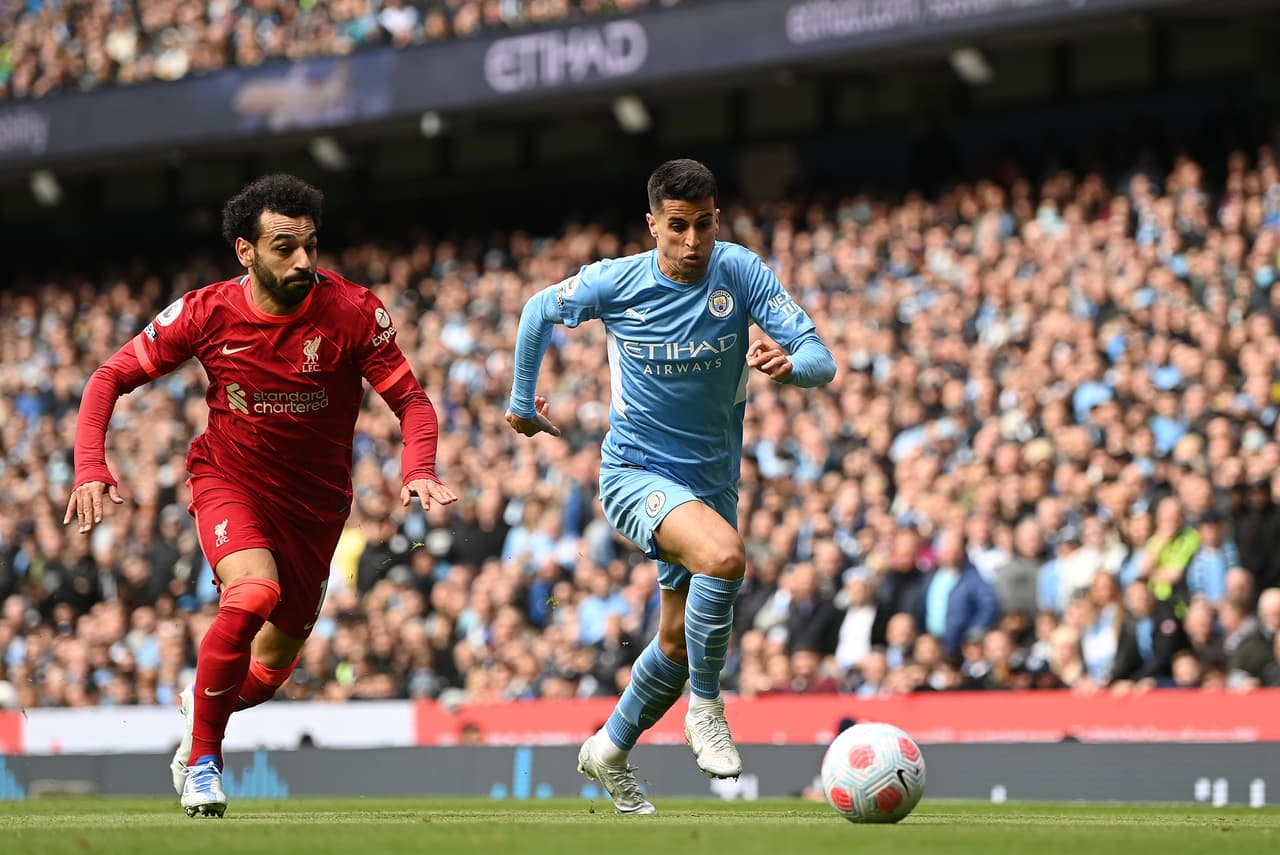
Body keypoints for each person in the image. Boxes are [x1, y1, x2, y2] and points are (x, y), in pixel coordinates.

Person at [64, 174, 458, 818]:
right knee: (253, 593)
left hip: (316, 508)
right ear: (245, 251)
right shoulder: (206, 311)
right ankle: (205, 764)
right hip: (230, 480)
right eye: (283, 246)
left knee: (269, 674)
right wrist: (89, 466)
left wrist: (419, 466)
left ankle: (202, 705)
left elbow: (410, 399)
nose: (302, 260)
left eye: (308, 245)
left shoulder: (354, 311)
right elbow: (109, 376)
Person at [505, 159, 835, 813]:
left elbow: (821, 359)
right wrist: (520, 402)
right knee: (725, 558)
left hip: (713, 482)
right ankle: (706, 709)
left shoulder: (738, 271)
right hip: (635, 473)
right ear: (652, 223)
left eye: (704, 225)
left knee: (678, 642)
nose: (691, 243)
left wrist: (790, 365)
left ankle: (608, 748)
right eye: (677, 227)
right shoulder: (617, 281)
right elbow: (540, 308)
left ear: (717, 219)